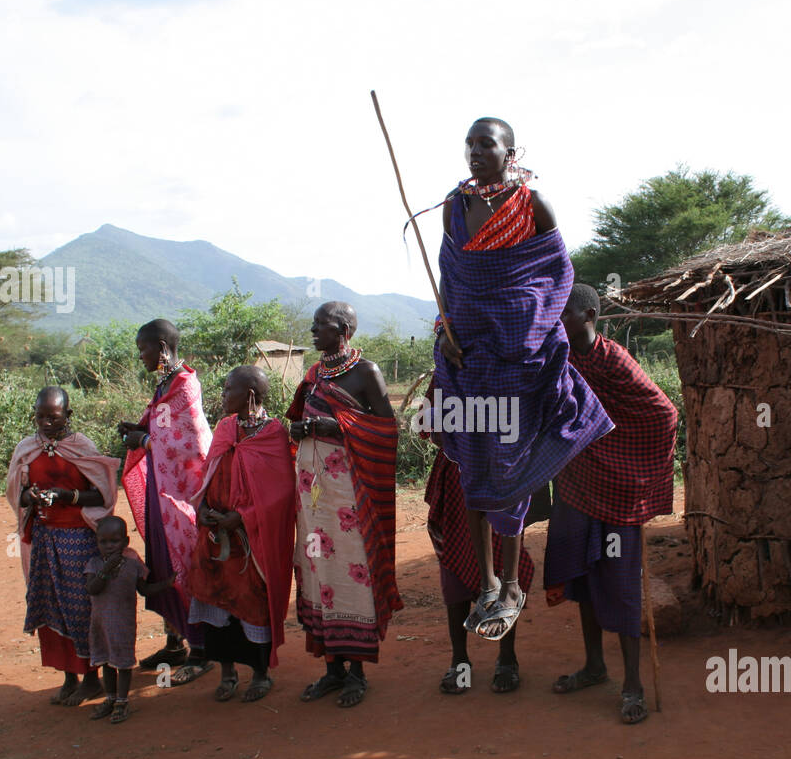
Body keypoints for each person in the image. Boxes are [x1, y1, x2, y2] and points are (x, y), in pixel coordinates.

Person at [432, 116, 613, 642]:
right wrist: (448, 328)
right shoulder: (454, 206)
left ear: (510, 152)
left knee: (509, 466)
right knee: (472, 462)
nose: (474, 152)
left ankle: (512, 582)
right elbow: (452, 277)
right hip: (470, 356)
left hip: (521, 355)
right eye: (468, 144)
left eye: (485, 143)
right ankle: (486, 581)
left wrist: (526, 324)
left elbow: (558, 276)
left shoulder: (533, 206)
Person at [545, 284, 679, 724]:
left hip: (618, 492)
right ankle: (594, 666)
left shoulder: (613, 359)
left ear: (587, 315)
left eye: (564, 314)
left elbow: (663, 414)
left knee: (621, 584)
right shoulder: (559, 360)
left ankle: (633, 683)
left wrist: (617, 455)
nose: (557, 322)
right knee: (581, 577)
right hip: (575, 487)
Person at [287, 301, 401, 707]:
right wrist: (299, 429)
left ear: (343, 329)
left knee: (350, 575)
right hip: (312, 495)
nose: (313, 331)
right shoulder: (314, 374)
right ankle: (332, 670)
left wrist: (336, 426)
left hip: (348, 496)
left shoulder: (365, 372)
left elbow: (387, 430)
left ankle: (357, 673)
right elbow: (297, 419)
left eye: (320, 326)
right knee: (317, 572)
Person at [417, 375, 539, 695]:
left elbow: (529, 421)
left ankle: (507, 659)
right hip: (458, 481)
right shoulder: (447, 370)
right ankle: (460, 663)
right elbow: (427, 422)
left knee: (503, 566)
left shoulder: (509, 366)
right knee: (454, 574)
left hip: (502, 478)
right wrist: (460, 440)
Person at [185, 366, 296, 704]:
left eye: (228, 389)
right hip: (216, 535)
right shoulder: (225, 427)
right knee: (216, 599)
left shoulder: (273, 434)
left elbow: (281, 493)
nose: (222, 394)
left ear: (249, 395)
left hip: (250, 542)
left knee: (253, 603)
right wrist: (203, 507)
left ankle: (260, 674)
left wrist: (243, 517)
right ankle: (227, 672)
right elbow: (209, 471)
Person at [6, 386, 119, 706]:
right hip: (43, 538)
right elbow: (18, 493)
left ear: (68, 416)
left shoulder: (82, 447)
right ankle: (68, 677)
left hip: (78, 539)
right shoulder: (27, 449)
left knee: (82, 608)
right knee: (50, 605)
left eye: (53, 418)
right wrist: (33, 497)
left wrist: (67, 496)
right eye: (40, 417)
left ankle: (91, 678)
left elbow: (104, 495)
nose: (46, 423)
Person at [117, 319, 213, 685]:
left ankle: (202, 650)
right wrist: (139, 430)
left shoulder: (185, 385)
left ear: (160, 347)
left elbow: (188, 444)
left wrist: (142, 441)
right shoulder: (164, 385)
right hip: (162, 488)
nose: (140, 356)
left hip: (182, 495)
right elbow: (161, 431)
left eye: (142, 349)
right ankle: (176, 643)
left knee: (185, 564)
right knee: (162, 562)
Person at [84, 516, 174, 723]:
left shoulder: (132, 564)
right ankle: (110, 697)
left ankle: (122, 701)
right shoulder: (94, 564)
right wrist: (105, 571)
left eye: (114, 541)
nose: (108, 546)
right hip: (100, 625)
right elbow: (92, 589)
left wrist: (167, 584)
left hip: (123, 624)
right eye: (103, 542)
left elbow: (144, 590)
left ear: (125, 542)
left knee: (123, 664)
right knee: (106, 662)